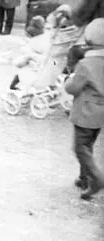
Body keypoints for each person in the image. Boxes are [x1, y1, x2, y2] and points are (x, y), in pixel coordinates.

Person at [65, 18, 104, 199]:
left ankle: (96, 178)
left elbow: (73, 88)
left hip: (85, 112)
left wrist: (68, 81)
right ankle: (84, 178)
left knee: (80, 147)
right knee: (89, 145)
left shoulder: (86, 64)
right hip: (100, 113)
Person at [8, 16, 49, 90]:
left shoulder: (29, 50)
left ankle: (13, 86)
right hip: (44, 70)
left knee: (22, 70)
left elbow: (19, 64)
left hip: (31, 72)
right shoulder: (46, 40)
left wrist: (13, 61)